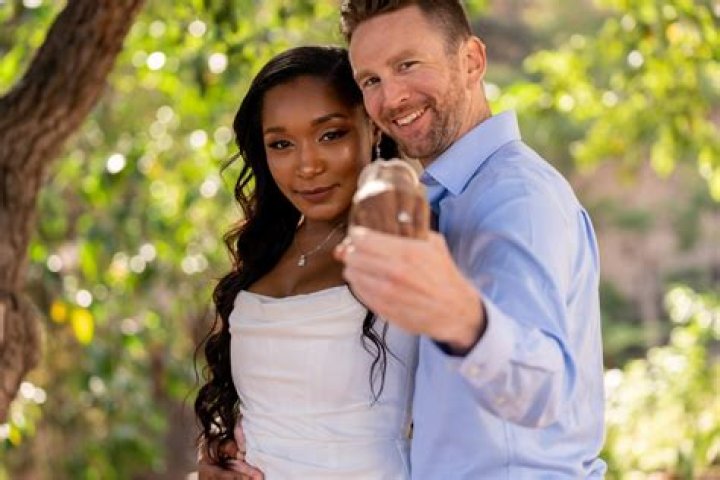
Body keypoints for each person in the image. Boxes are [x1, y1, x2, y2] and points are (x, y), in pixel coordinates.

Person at [333, 1, 607, 478]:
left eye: (407, 64)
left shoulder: (517, 197)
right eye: (371, 80)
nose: (391, 97)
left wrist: (461, 316)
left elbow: (545, 390)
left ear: (472, 61)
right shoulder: (441, 199)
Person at [194, 46, 419, 479]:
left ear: (373, 126)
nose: (307, 165)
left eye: (330, 135)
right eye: (281, 144)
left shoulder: (405, 239)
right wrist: (216, 453)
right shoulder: (269, 250)